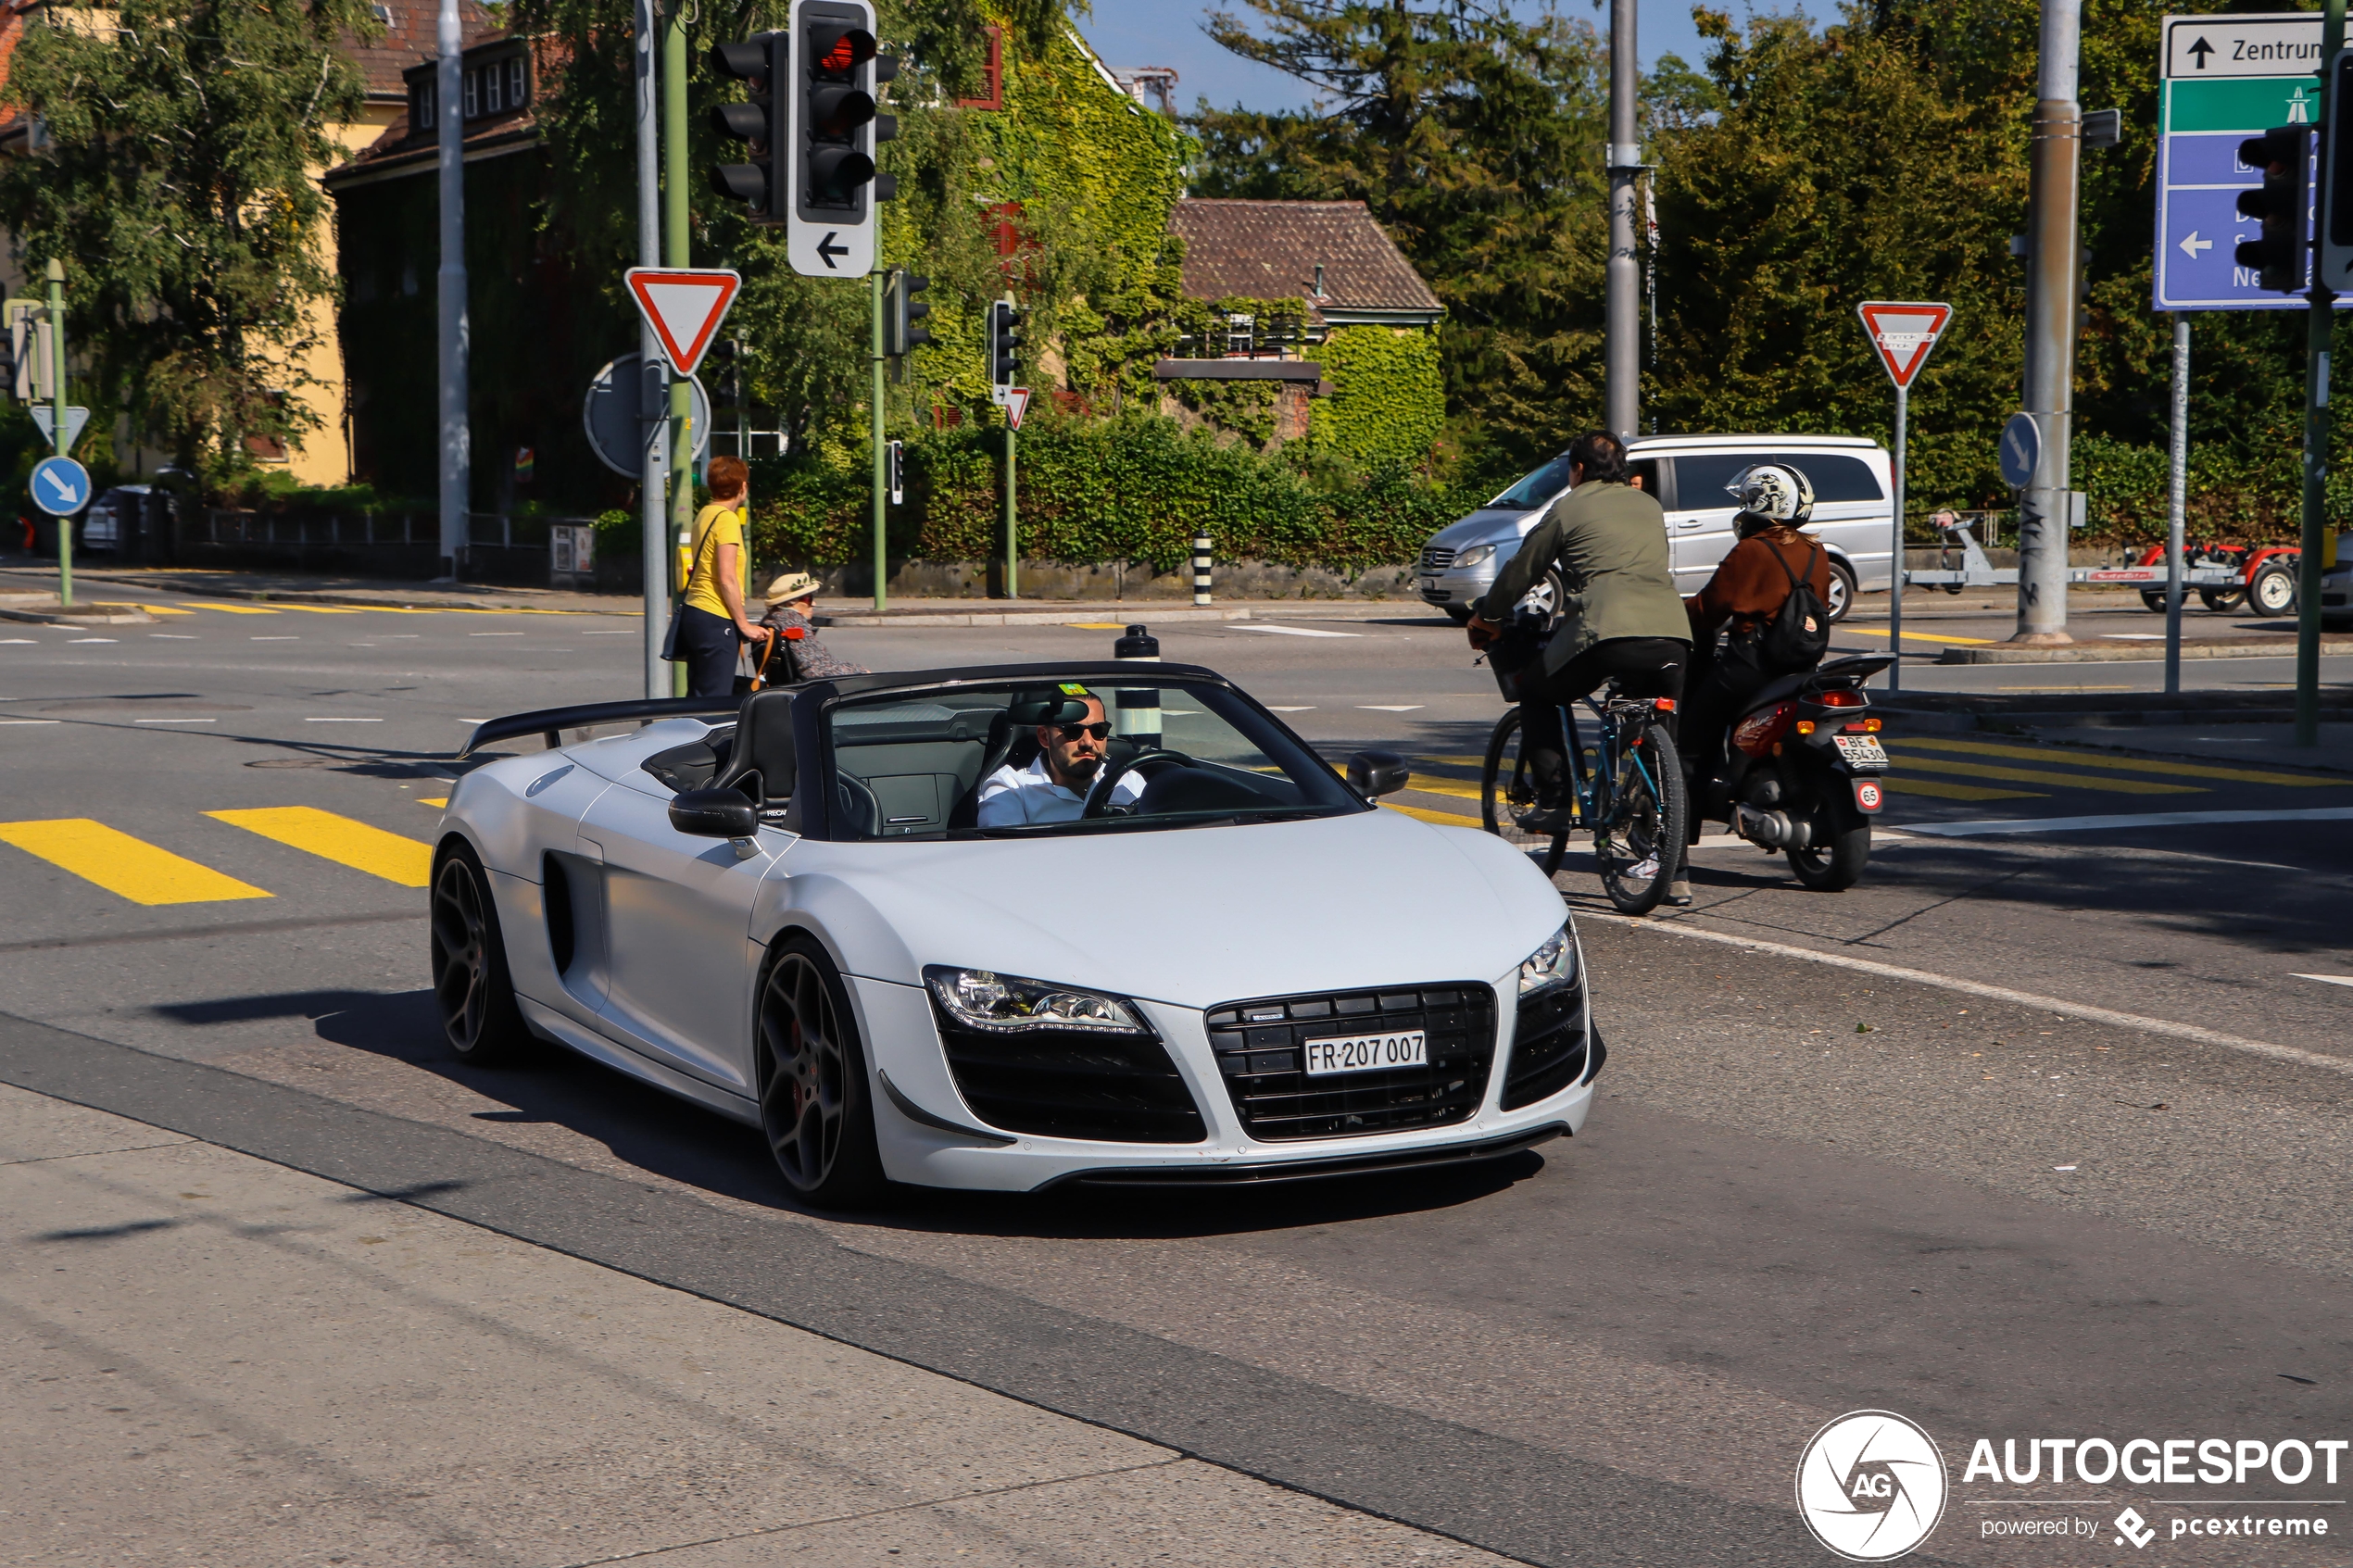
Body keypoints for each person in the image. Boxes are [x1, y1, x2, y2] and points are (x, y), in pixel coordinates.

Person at [1466, 430, 1691, 835]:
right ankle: (1667, 851)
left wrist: (1489, 615)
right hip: (1672, 634)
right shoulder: (1648, 505)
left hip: (1605, 629)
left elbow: (1525, 567)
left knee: (1536, 690)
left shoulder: (1569, 507)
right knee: (1658, 736)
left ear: (1579, 469)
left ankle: (1552, 801)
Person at [1680, 462, 1834, 798]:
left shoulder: (1752, 550)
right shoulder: (1817, 552)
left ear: (1764, 503)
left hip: (1751, 667)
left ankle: (1677, 841)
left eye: (1748, 499)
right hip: (1801, 668)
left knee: (1692, 737)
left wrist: (1671, 614)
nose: (1742, 508)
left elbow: (1709, 608)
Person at [975, 691, 1147, 827]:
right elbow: (1005, 859)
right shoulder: (1010, 788)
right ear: (1044, 737)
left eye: (1098, 730)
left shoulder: (1127, 781)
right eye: (1073, 731)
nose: (1088, 742)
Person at [675, 456, 770, 698]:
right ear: (743, 487)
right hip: (716, 617)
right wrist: (744, 625)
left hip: (694, 613)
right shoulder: (727, 519)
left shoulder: (705, 514)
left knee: (698, 696)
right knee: (714, 701)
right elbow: (727, 578)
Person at [750, 571, 867, 686]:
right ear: (792, 602)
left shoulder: (772, 619)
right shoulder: (793, 622)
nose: (814, 603)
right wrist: (859, 671)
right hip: (810, 687)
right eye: (809, 599)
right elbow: (812, 669)